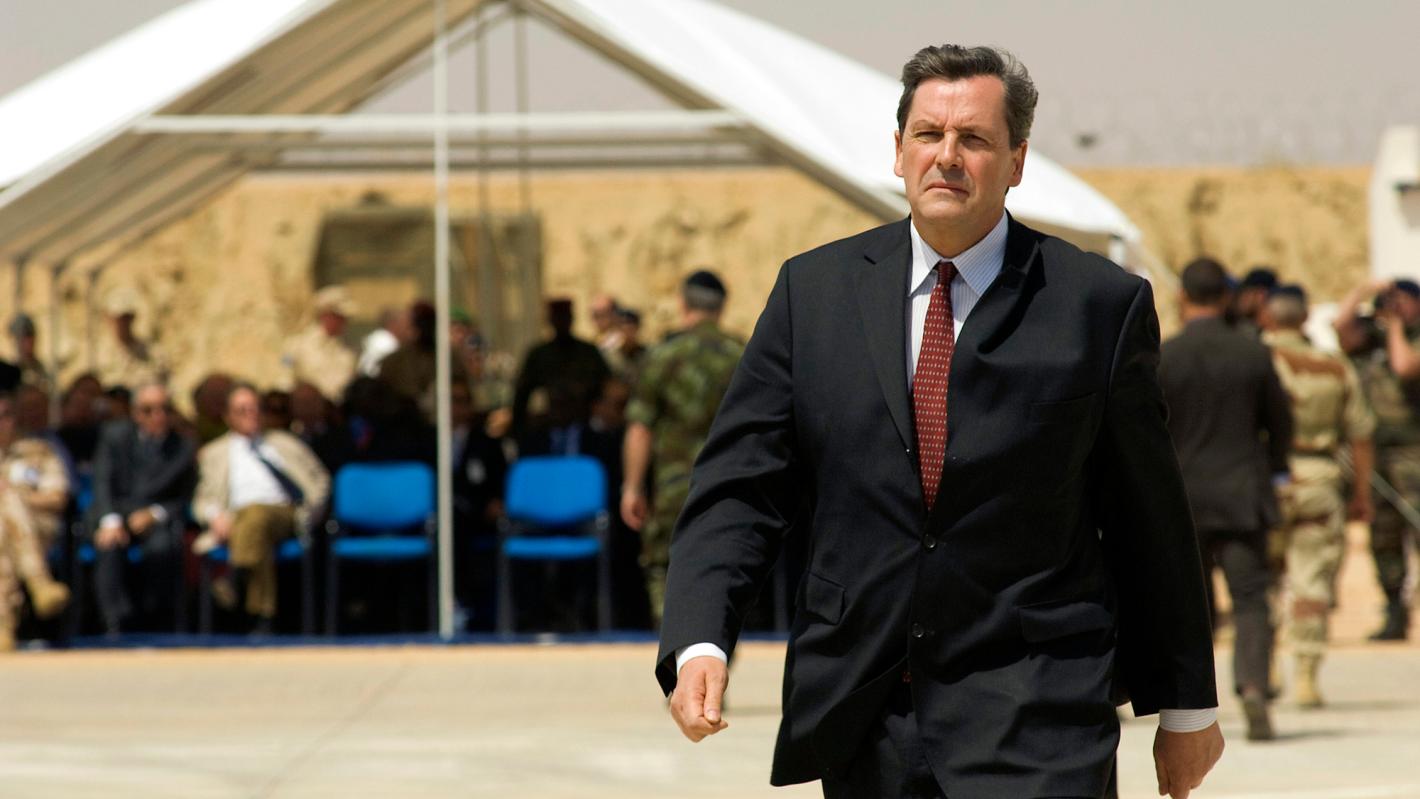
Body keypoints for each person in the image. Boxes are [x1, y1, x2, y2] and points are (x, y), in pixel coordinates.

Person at [658, 45, 1222, 799]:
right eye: (928, 135)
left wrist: (1186, 705)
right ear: (898, 152)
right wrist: (701, 634)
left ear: (1016, 161)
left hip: (1037, 711)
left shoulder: (1097, 306)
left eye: (975, 139)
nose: (947, 157)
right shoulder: (812, 294)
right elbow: (740, 484)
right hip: (863, 710)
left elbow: (1147, 516)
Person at [1159, 257, 1293, 741]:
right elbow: (1280, 422)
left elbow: (1149, 431)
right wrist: (1276, 468)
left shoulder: (1165, 356)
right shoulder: (1252, 353)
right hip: (1242, 496)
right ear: (1225, 297)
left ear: (1182, 296)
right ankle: (1254, 686)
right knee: (1252, 598)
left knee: (1187, 605)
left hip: (1182, 501)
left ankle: (1188, 702)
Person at [1260, 285, 1375, 707]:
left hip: (1267, 479)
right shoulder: (1334, 366)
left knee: (1265, 576)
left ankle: (1264, 661)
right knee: (1311, 579)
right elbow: (1361, 434)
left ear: (1267, 318)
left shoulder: (1256, 359)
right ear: (1305, 319)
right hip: (1320, 476)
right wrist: (1361, 492)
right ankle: (1306, 675)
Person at [621, 271, 743, 624]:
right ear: (722, 306)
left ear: (683, 304)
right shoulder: (743, 354)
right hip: (730, 485)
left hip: (675, 486)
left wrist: (631, 487)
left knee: (664, 569)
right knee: (726, 567)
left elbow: (640, 428)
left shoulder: (662, 355)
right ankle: (715, 650)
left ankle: (674, 646)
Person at [192, 384, 329, 634]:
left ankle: (233, 576)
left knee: (256, 513)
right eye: (242, 410)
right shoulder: (214, 453)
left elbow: (319, 480)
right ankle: (262, 617)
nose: (250, 415)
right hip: (235, 521)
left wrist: (312, 512)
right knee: (255, 528)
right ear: (228, 416)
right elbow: (202, 499)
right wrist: (215, 516)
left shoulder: (286, 443)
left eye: (255, 409)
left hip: (285, 514)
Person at [1333, 277, 1420, 641]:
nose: (1394, 307)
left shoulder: (1409, 339)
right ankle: (1394, 610)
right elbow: (1340, 326)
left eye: (1402, 301)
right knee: (1382, 534)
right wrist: (1364, 290)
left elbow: (1404, 367)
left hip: (1411, 450)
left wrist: (1398, 326)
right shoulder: (1371, 338)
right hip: (1375, 452)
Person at [89, 383, 197, 634]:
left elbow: (185, 498)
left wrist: (155, 514)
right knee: (109, 544)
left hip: (156, 518)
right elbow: (102, 480)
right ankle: (115, 623)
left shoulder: (182, 447)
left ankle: (156, 621)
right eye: (149, 410)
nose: (157, 417)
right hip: (116, 512)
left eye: (164, 410)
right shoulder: (114, 436)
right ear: (136, 413)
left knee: (162, 547)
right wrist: (111, 519)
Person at [0, 392, 70, 651]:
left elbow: (57, 497)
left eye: (5, 416)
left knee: (8, 501)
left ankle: (3, 624)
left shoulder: (38, 451)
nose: (1, 423)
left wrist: (19, 498)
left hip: (40, 528)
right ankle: (39, 582)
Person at [511, 298, 610, 442]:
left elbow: (605, 386)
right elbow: (522, 394)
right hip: (548, 428)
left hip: (584, 424)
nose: (562, 322)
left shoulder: (588, 353)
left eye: (565, 317)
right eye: (558, 318)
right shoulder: (539, 355)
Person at [281, 285, 358, 404]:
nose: (344, 321)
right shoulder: (296, 345)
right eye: (339, 317)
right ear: (326, 315)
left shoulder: (351, 349)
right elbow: (285, 380)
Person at [93, 288, 167, 390]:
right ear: (108, 317)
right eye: (118, 318)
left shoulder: (153, 354)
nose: (122, 323)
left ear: (133, 317)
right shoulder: (97, 355)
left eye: (126, 317)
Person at [358, 306, 408, 377]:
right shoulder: (384, 343)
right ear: (393, 323)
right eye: (405, 323)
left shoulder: (381, 339)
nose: (408, 328)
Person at [8, 314, 51, 393]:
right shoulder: (11, 371)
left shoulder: (41, 370)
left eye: (27, 337)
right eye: (18, 338)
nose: (22, 342)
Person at [1232, 267, 1278, 336]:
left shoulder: (1273, 332)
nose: (1241, 298)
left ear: (1261, 295)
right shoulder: (1237, 323)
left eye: (1247, 293)